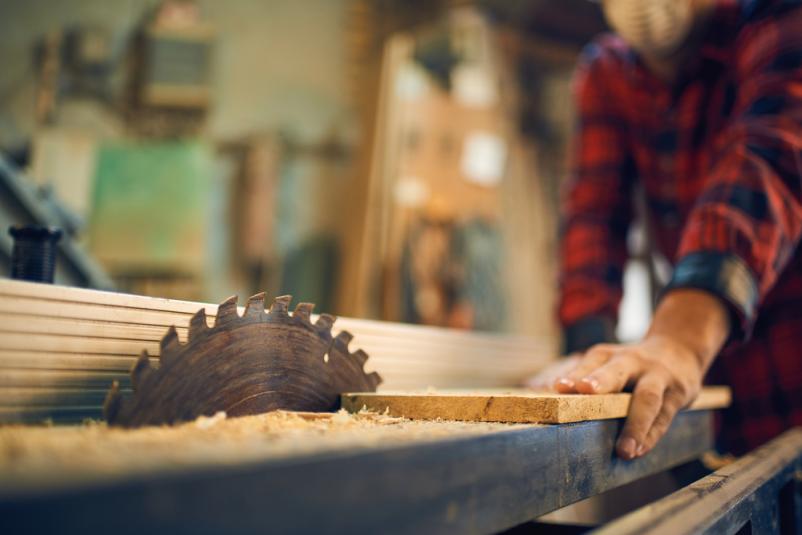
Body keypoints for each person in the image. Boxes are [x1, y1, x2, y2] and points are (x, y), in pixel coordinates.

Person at [529, 0, 802, 460]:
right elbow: (595, 219)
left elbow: (768, 158)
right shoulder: (608, 71)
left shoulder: (778, 18)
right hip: (720, 413)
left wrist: (680, 338)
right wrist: (586, 362)